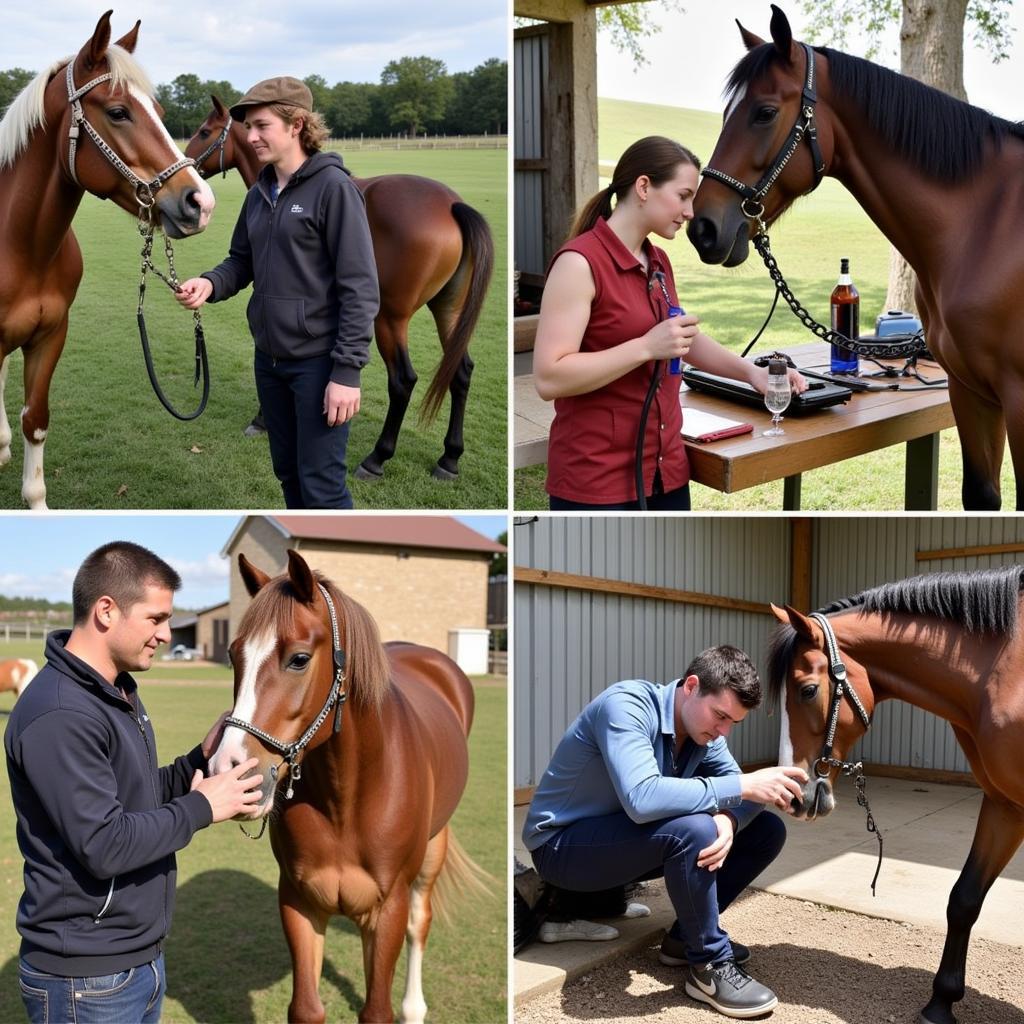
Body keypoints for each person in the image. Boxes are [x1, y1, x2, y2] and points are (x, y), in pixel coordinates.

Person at [5, 541, 264, 1024]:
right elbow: (105, 844)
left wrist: (196, 763)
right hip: (85, 982)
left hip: (132, 964)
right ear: (106, 611)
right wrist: (204, 806)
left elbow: (133, 797)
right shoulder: (60, 713)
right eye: (155, 618)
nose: (166, 634)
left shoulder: (115, 691)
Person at [522, 645, 809, 1019]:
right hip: (561, 849)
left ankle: (681, 941)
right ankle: (709, 965)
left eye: (732, 723)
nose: (723, 731)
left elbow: (746, 793)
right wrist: (737, 790)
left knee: (765, 829)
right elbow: (642, 798)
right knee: (694, 828)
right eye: (720, 716)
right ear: (691, 686)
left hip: (618, 847)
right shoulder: (626, 706)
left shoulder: (704, 734)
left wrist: (729, 820)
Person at [533, 136, 806, 510]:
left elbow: (680, 339)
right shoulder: (578, 264)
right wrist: (646, 347)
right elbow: (550, 377)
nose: (691, 211)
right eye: (683, 196)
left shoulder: (657, 260)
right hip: (597, 481)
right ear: (643, 187)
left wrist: (752, 374)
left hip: (667, 473)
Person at [176, 77, 379, 509]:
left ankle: (325, 576)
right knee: (287, 473)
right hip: (269, 361)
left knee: (322, 484)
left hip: (319, 365)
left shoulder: (334, 189)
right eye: (248, 127)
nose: (250, 137)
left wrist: (346, 373)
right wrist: (210, 283)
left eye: (261, 125)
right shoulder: (260, 193)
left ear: (296, 124)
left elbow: (360, 288)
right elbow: (241, 261)